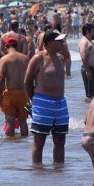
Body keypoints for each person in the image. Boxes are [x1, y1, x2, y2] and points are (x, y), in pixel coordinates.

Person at [25, 29, 69, 164]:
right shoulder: (38, 58)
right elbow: (27, 81)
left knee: (60, 142)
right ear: (50, 43)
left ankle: (59, 171)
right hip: (42, 103)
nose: (63, 43)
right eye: (60, 41)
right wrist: (33, 100)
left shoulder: (61, 58)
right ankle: (38, 173)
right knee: (39, 142)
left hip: (60, 103)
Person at [0, 35, 30, 137]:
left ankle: (10, 147)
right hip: (24, 94)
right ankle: (24, 144)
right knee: (23, 122)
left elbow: (1, 78)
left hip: (10, 94)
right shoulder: (25, 59)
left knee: (10, 122)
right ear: (17, 46)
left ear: (6, 47)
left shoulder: (4, 59)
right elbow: (31, 78)